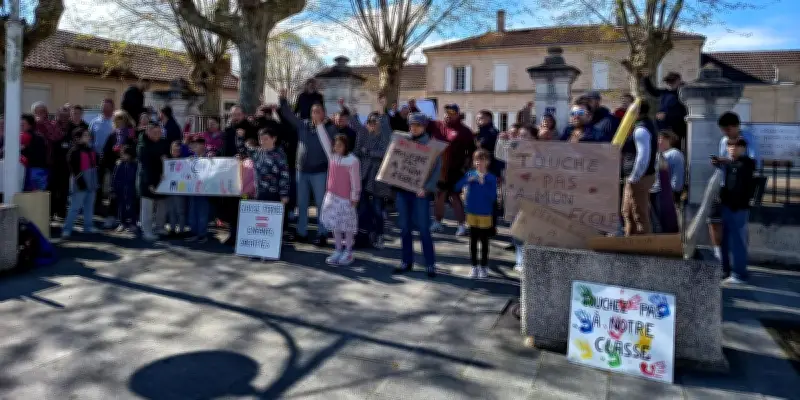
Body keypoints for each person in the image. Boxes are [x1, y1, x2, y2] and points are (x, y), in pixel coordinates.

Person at [278, 88, 338, 246]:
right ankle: (301, 232)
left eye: (318, 111)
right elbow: (289, 116)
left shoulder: (329, 129)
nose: (315, 113)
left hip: (320, 172)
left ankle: (322, 233)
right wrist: (283, 101)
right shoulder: (303, 125)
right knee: (302, 203)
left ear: (323, 114)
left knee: (320, 204)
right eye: (313, 111)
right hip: (301, 171)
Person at [393, 113, 442, 278]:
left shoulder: (432, 145)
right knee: (404, 228)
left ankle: (430, 264)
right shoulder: (403, 141)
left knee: (423, 229)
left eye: (417, 125)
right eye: (412, 125)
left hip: (421, 193)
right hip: (403, 190)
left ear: (424, 126)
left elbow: (436, 170)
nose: (414, 128)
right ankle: (406, 261)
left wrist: (427, 188)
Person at [707, 111, 760, 260]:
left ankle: (740, 261)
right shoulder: (723, 141)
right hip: (724, 186)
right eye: (723, 131)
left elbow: (753, 163)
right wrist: (718, 162)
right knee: (714, 220)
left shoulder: (747, 139)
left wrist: (729, 161)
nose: (726, 134)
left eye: (728, 130)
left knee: (738, 227)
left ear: (736, 126)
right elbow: (726, 164)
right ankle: (721, 257)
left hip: (740, 190)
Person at [349, 105, 392, 248]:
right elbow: (357, 149)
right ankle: (365, 235)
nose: (371, 126)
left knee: (377, 209)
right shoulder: (364, 135)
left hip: (378, 178)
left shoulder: (384, 136)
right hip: (364, 176)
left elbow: (385, 153)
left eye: (374, 123)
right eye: (369, 123)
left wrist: (368, 152)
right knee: (363, 209)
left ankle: (379, 235)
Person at [714, 137, 756, 285]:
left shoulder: (746, 164)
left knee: (738, 242)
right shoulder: (731, 164)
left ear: (743, 148)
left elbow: (740, 169)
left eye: (736, 147)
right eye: (730, 146)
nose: (732, 149)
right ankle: (725, 269)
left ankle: (739, 274)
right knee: (724, 241)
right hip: (727, 206)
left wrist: (725, 162)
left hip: (738, 208)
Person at [429, 103, 475, 236]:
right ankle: (437, 222)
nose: (448, 116)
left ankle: (461, 225)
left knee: (455, 196)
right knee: (439, 196)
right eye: (446, 113)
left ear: (457, 115)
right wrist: (412, 108)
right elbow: (420, 122)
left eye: (452, 114)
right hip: (439, 168)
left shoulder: (465, 131)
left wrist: (467, 167)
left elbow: (472, 151)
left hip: (456, 169)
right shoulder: (436, 125)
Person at [241, 128, 291, 244]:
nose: (262, 141)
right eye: (260, 139)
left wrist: (284, 194)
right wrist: (240, 137)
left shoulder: (279, 154)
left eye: (265, 139)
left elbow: (284, 175)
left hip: (274, 193)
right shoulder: (257, 152)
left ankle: (274, 245)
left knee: (273, 221)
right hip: (260, 191)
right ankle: (261, 245)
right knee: (260, 219)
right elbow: (243, 150)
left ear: (274, 139)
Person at [455, 149, 498, 279]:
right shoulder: (470, 174)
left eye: (482, 160)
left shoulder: (491, 178)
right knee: (473, 240)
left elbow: (493, 197)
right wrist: (467, 181)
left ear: (488, 162)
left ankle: (483, 267)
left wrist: (483, 183)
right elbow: (456, 187)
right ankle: (474, 266)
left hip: (485, 213)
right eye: (477, 160)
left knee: (484, 241)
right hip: (471, 212)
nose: (479, 163)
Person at [320, 135, 361, 265]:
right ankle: (338, 249)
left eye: (340, 145)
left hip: (346, 199)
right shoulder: (332, 157)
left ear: (346, 146)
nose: (336, 148)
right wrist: (319, 124)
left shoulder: (352, 160)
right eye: (335, 145)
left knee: (347, 226)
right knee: (335, 225)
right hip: (332, 196)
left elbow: (356, 181)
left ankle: (348, 251)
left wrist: (355, 196)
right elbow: (324, 140)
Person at [621, 100, 658, 236]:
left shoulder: (641, 129)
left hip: (639, 177)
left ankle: (644, 245)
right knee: (627, 212)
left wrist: (634, 177)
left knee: (639, 214)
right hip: (634, 176)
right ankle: (629, 239)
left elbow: (643, 156)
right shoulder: (642, 126)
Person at [100, 110, 136, 228]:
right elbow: (105, 152)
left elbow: (134, 150)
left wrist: (127, 156)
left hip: (129, 168)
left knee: (128, 196)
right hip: (114, 168)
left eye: (121, 119)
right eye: (117, 120)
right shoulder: (112, 135)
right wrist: (109, 165)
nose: (119, 122)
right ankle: (111, 217)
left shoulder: (130, 134)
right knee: (114, 193)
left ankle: (127, 220)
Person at [61, 129, 99, 238]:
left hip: (92, 181)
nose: (88, 137)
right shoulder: (74, 151)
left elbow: (95, 165)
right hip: (80, 182)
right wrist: (80, 181)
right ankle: (67, 229)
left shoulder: (91, 150)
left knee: (89, 206)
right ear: (77, 138)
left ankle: (88, 226)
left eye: (88, 135)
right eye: (85, 135)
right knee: (75, 207)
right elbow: (73, 169)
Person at [138, 122, 169, 241]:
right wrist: (150, 183)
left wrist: (166, 158)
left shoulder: (163, 143)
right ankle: (147, 231)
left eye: (159, 132)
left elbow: (169, 156)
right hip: (148, 181)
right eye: (155, 132)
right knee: (147, 208)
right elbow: (146, 167)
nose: (157, 134)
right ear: (148, 132)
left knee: (162, 205)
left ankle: (160, 227)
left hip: (162, 180)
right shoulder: (143, 146)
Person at [650, 130, 685, 233]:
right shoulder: (657, 154)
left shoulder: (674, 154)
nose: (659, 141)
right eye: (659, 139)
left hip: (665, 193)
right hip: (654, 191)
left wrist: (673, 191)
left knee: (667, 222)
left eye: (663, 139)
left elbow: (677, 176)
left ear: (670, 140)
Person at [642, 72, 688, 146]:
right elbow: (652, 91)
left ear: (679, 80)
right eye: (668, 81)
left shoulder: (684, 93)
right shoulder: (666, 92)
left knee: (675, 148)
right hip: (663, 127)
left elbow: (683, 113)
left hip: (676, 129)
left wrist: (666, 116)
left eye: (672, 81)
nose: (670, 83)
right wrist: (646, 79)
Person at [184, 137, 214, 243]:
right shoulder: (192, 158)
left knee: (202, 212)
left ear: (202, 145)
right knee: (192, 212)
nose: (194, 147)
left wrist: (211, 157)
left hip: (204, 190)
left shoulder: (209, 156)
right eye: (193, 145)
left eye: (196, 145)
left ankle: (202, 234)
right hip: (193, 189)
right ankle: (193, 232)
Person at [50, 106, 73, 219]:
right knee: (53, 188)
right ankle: (51, 212)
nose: (64, 118)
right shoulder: (52, 126)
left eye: (66, 116)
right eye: (61, 115)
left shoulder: (71, 128)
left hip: (66, 165)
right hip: (53, 163)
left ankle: (62, 212)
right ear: (57, 115)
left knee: (64, 189)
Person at [110, 144, 139, 232]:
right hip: (120, 190)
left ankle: (133, 223)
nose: (122, 155)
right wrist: (112, 189)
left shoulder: (135, 165)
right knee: (121, 207)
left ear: (129, 154)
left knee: (132, 207)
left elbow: (136, 178)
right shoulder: (119, 164)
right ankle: (122, 223)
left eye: (124, 154)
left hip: (132, 189)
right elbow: (114, 178)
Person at [20, 114, 48, 191]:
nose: (20, 126)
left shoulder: (26, 136)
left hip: (32, 171)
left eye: (23, 124)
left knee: (30, 196)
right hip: (41, 171)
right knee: (40, 197)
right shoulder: (40, 136)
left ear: (30, 125)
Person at [165, 141, 187, 237]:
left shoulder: (184, 161)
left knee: (180, 210)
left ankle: (181, 230)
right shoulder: (167, 161)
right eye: (174, 149)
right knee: (171, 210)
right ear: (171, 150)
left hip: (180, 189)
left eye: (178, 150)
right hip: (170, 189)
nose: (176, 151)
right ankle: (172, 229)